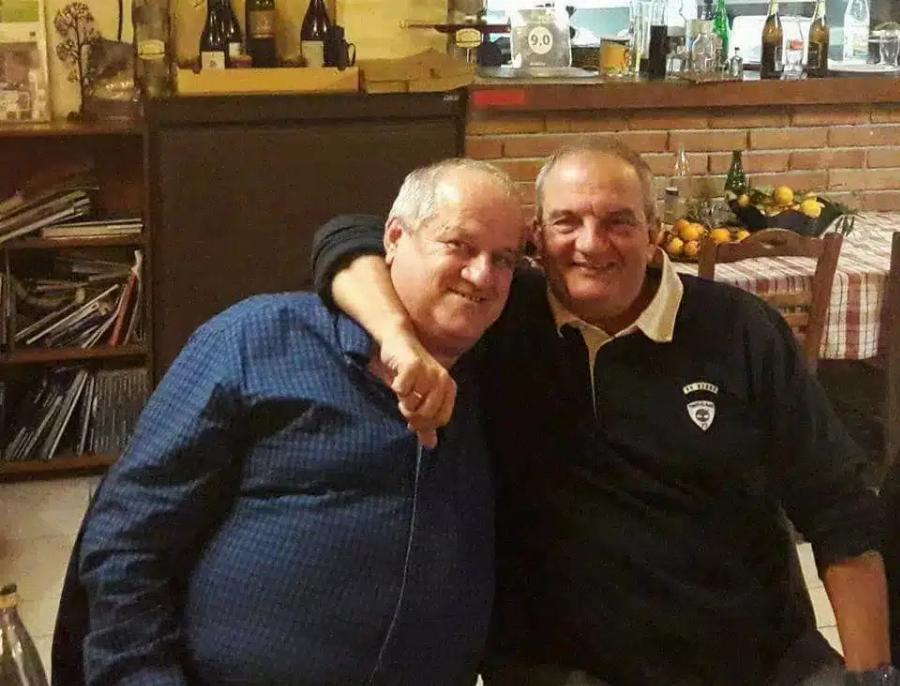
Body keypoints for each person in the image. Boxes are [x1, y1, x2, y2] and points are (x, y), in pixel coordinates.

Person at [312, 140, 895, 686]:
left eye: (619, 222)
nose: (591, 245)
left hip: (755, 660)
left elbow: (839, 511)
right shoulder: (498, 315)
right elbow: (348, 238)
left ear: (655, 231)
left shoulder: (741, 329)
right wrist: (398, 338)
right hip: (561, 669)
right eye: (566, 222)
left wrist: (871, 679)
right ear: (538, 238)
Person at [76, 158, 525, 686]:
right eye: (459, 245)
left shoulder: (508, 371)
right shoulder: (258, 339)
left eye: (504, 259)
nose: (482, 275)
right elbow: (128, 538)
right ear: (395, 239)